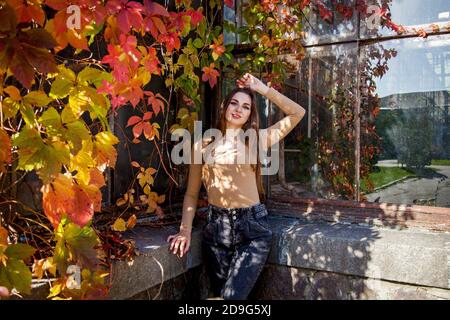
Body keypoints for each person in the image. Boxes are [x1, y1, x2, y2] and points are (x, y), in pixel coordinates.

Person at [167, 73, 306, 300]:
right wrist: (185, 231)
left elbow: (298, 112)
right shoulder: (202, 145)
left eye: (246, 107)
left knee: (231, 299)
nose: (238, 109)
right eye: (234, 103)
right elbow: (192, 194)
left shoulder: (256, 139)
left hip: (252, 231)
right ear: (224, 107)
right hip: (216, 231)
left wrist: (261, 88)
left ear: (250, 114)